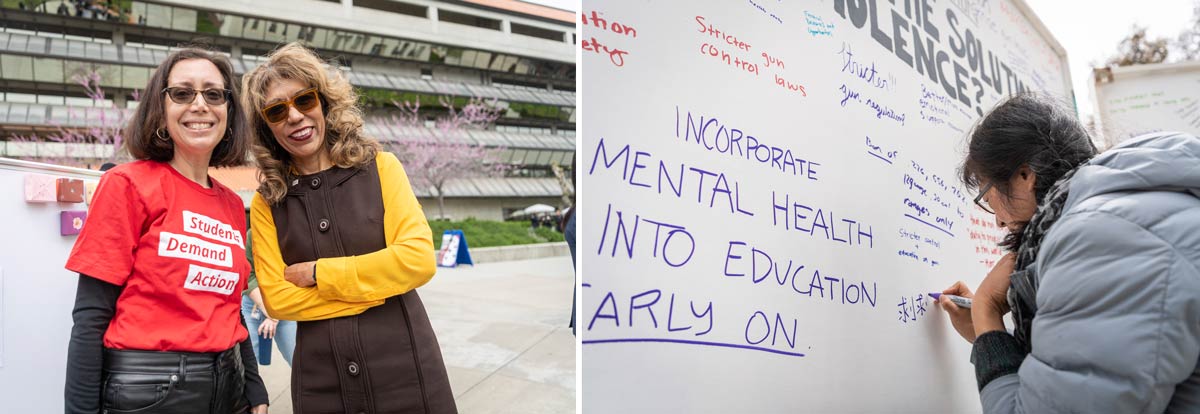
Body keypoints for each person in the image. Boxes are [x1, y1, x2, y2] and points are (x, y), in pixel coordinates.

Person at [940, 93, 1200, 413]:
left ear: (1024, 176)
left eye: (986, 194)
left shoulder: (1099, 239)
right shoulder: (1135, 211)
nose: (997, 219)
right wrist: (990, 337)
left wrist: (986, 309)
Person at [242, 42, 456, 413]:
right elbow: (278, 299)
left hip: (406, 370)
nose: (294, 116)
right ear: (267, 127)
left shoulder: (382, 168)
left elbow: (418, 260)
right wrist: (375, 288)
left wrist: (319, 274)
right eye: (277, 111)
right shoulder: (266, 204)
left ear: (323, 103)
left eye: (304, 101)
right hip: (321, 383)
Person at [64, 47, 269, 413]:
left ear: (228, 111)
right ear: (161, 108)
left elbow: (229, 309)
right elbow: (91, 315)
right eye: (182, 93)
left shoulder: (232, 205)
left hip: (231, 389)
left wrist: (255, 388)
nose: (200, 104)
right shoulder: (127, 184)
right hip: (152, 394)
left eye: (213, 93)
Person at [241, 228, 296, 366]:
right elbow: (248, 274)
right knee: (248, 364)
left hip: (284, 303)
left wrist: (274, 313)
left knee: (297, 360)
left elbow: (295, 274)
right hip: (253, 303)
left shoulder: (292, 232)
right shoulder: (253, 234)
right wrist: (267, 309)